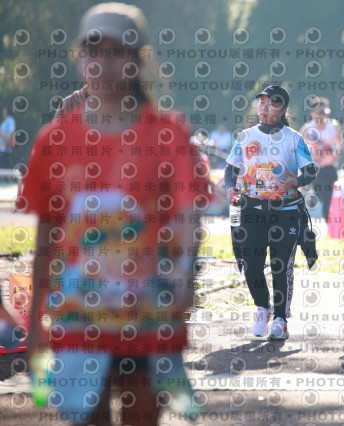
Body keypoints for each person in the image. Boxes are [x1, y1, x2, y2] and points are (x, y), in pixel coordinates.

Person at [19, 4, 211, 425]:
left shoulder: (168, 133)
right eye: (92, 50)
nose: (101, 62)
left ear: (137, 59)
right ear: (79, 57)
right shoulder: (56, 139)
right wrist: (35, 324)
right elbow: (47, 235)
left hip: (147, 314)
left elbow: (187, 216)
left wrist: (184, 275)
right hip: (77, 315)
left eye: (115, 51)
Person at [225, 85, 317, 341]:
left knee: (281, 266)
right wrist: (231, 188)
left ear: (284, 109)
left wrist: (295, 182)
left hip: (285, 211)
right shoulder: (246, 136)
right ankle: (262, 308)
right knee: (251, 264)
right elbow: (231, 169)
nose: (264, 108)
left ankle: (280, 320)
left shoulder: (294, 138)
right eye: (262, 103)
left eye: (272, 104)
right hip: (252, 211)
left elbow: (311, 171)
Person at [299, 97, 342, 220]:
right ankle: (313, 195)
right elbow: (299, 149)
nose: (323, 115)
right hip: (315, 168)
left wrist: (336, 154)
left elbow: (340, 143)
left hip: (330, 167)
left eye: (325, 112)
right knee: (324, 194)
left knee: (331, 195)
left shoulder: (333, 126)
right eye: (320, 112)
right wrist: (312, 157)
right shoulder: (307, 129)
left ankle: (329, 222)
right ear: (312, 113)